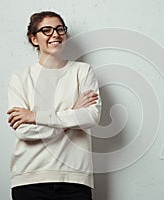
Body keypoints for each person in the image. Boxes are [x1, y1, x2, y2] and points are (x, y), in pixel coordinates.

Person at [6, 11, 101, 200]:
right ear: (34, 39)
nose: (55, 35)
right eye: (46, 30)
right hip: (29, 178)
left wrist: (36, 117)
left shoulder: (82, 72)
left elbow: (91, 117)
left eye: (59, 29)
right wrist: (73, 113)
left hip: (75, 178)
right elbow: (23, 131)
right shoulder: (20, 79)